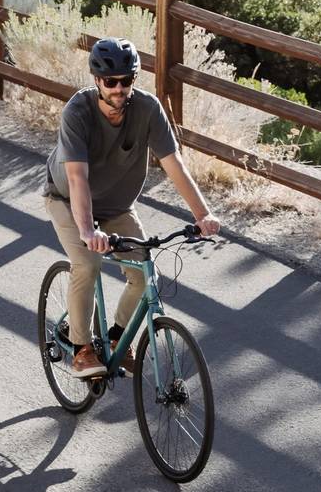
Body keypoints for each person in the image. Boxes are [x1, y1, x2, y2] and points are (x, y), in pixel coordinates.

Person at [44, 37, 221, 378]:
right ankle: (82, 349)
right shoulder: (77, 112)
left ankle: (114, 340)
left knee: (144, 274)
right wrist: (87, 231)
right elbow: (78, 178)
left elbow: (175, 165)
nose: (119, 88)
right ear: (97, 80)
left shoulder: (147, 109)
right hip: (67, 200)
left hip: (116, 205)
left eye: (126, 80)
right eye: (111, 82)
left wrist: (203, 215)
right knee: (87, 261)